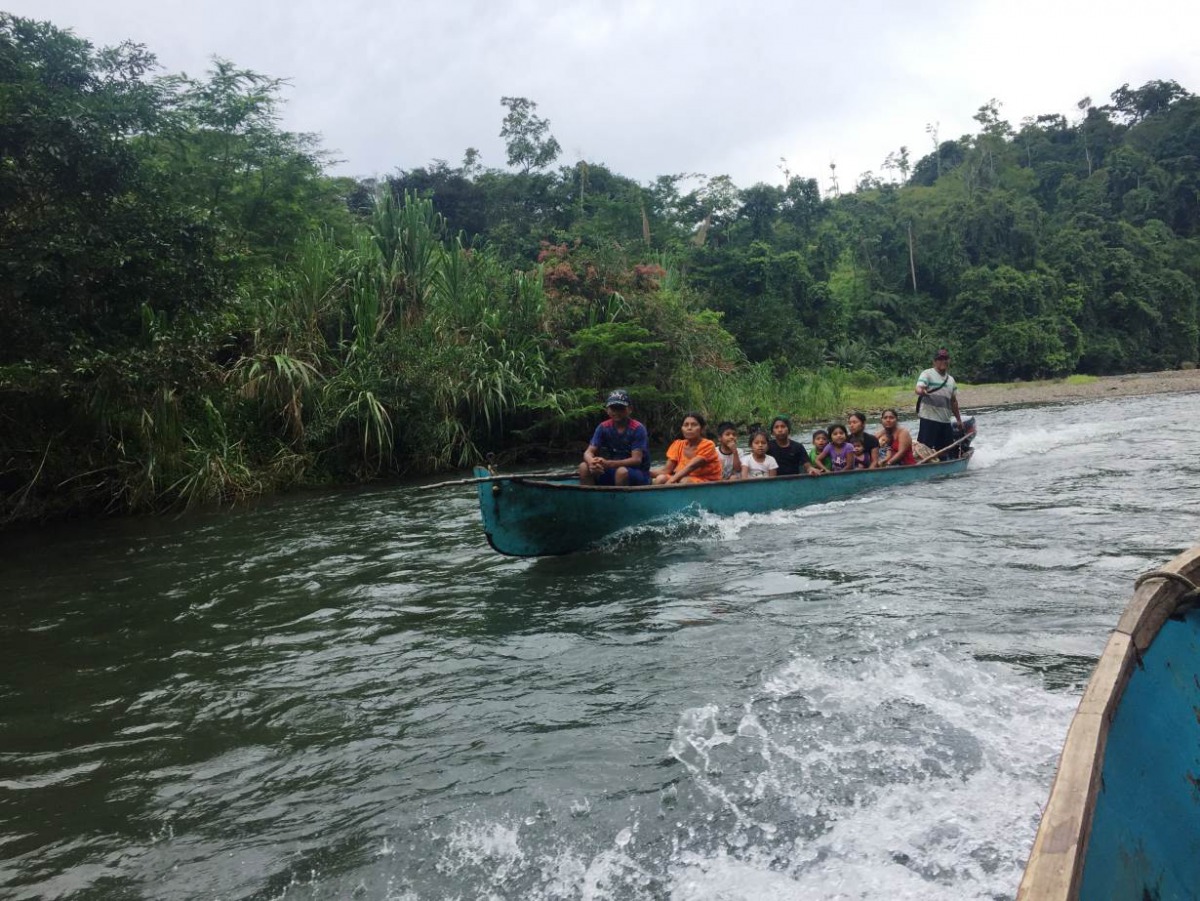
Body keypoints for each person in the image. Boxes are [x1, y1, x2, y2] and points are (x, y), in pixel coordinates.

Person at [578, 389, 652, 486]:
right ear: (607, 410)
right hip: (611, 470)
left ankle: (620, 500)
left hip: (637, 473)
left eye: (621, 408)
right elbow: (589, 452)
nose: (617, 412)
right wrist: (591, 462)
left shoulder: (637, 428)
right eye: (613, 408)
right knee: (583, 467)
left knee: (621, 472)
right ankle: (589, 499)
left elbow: (636, 460)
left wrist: (608, 464)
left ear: (629, 409)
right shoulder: (603, 427)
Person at [915, 349, 965, 452]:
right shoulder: (927, 374)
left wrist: (959, 420)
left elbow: (953, 401)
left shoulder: (951, 380)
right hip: (929, 419)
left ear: (949, 361)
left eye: (945, 359)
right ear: (934, 361)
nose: (943, 361)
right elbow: (918, 388)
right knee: (924, 449)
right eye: (940, 359)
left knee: (947, 451)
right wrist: (922, 391)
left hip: (945, 421)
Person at [654, 412, 722, 484]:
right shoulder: (678, 445)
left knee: (684, 481)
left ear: (702, 429)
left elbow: (691, 467)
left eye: (694, 425)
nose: (689, 428)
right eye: (686, 425)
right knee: (661, 478)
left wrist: (671, 481)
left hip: (707, 481)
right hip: (682, 477)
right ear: (682, 428)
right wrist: (645, 472)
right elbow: (666, 471)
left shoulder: (708, 445)